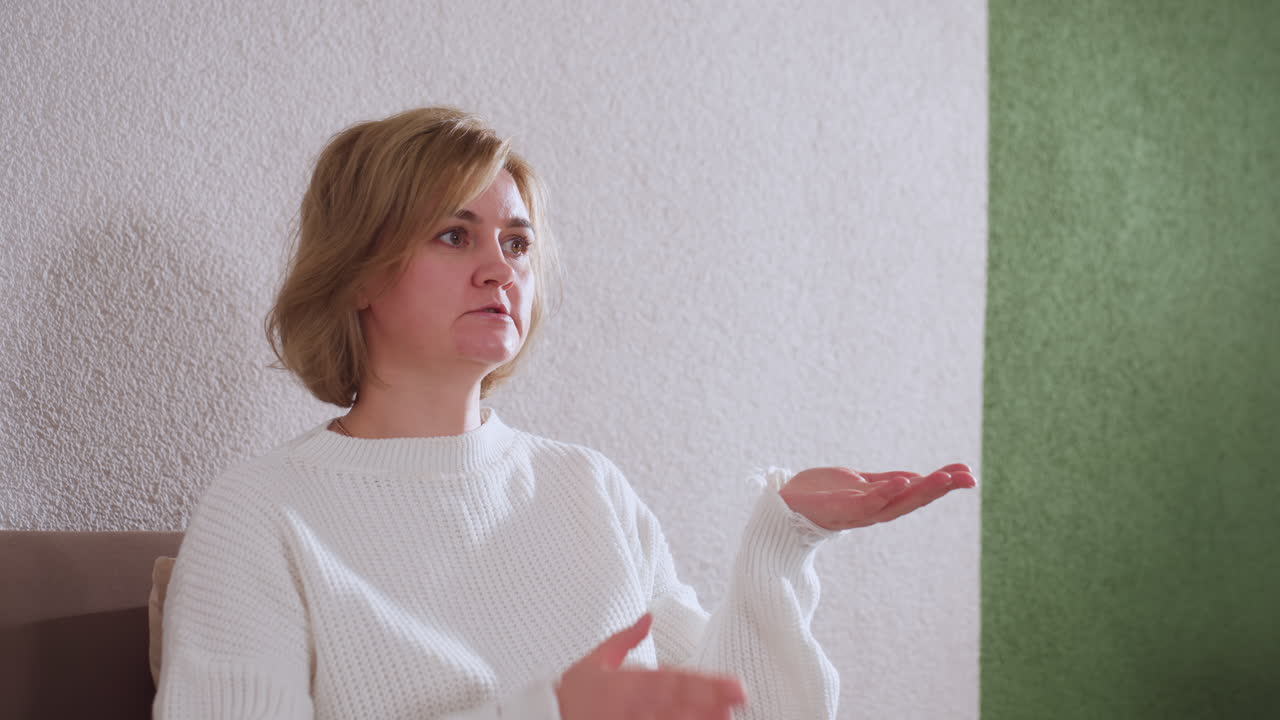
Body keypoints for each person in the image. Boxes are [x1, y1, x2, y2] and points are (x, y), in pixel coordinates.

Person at [152, 106, 974, 720]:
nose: (498, 269)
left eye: (516, 242)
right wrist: (550, 710)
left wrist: (783, 538)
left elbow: (739, 708)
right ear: (359, 274)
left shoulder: (586, 486)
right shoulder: (263, 515)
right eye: (453, 235)